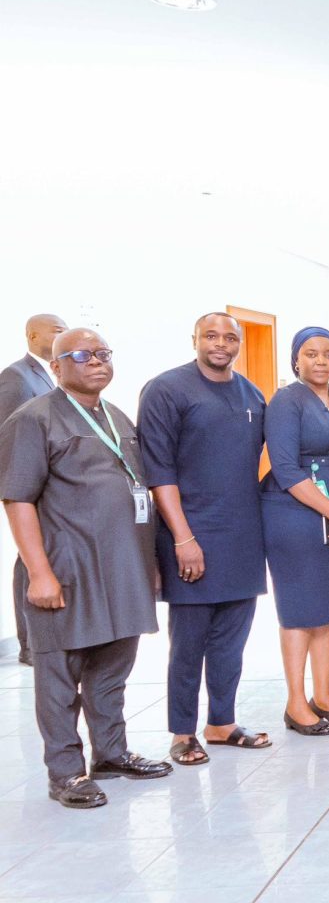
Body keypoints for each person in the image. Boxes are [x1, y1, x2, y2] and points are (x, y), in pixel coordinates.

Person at [0, 328, 172, 808]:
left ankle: (111, 754)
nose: (95, 361)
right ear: (55, 367)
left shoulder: (115, 417)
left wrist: (149, 565)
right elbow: (17, 498)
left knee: (112, 668)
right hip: (65, 570)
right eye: (81, 354)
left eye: (102, 353)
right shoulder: (33, 419)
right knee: (60, 676)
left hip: (123, 569)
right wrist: (39, 572)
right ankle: (66, 773)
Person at [138, 313, 270, 765]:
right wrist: (182, 537)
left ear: (239, 343)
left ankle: (221, 723)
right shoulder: (167, 389)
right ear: (194, 339)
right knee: (189, 642)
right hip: (191, 534)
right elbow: (159, 472)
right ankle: (181, 732)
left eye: (229, 337)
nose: (220, 344)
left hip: (243, 536)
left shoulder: (252, 394)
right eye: (211, 336)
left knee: (232, 640)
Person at [261, 327, 329, 736]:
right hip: (294, 513)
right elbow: (286, 469)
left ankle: (323, 695)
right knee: (301, 610)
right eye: (311, 354)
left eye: (328, 354)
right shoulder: (286, 401)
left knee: (327, 608)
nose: (320, 361)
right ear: (296, 360)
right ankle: (295, 703)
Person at [0, 312, 66, 668]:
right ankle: (29, 646)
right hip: (31, 488)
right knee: (29, 560)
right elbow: (9, 438)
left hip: (54, 488)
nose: (64, 334)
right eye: (57, 330)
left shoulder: (53, 375)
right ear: (31, 335)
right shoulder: (16, 377)